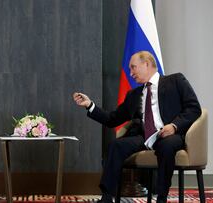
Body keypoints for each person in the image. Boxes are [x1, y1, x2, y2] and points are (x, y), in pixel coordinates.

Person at [73, 51, 201, 203]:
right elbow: (112, 119)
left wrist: (174, 126)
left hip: (170, 134)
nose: (131, 73)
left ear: (146, 64)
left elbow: (194, 108)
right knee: (116, 145)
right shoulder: (134, 95)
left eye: (133, 67)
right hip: (144, 137)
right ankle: (107, 197)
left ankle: (161, 198)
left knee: (166, 146)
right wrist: (90, 105)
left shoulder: (175, 81)